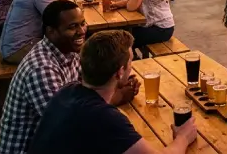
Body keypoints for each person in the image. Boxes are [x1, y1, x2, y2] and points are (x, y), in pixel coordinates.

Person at [28, 30, 198, 153]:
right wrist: (183, 137)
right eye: (131, 61)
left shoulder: (67, 92)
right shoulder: (104, 118)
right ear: (119, 72)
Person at [0, 0, 89, 153]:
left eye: (83, 23)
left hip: (47, 141)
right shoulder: (42, 68)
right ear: (51, 31)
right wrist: (115, 97)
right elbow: (67, 123)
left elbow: (88, 86)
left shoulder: (68, 51)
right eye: (72, 27)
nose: (81, 31)